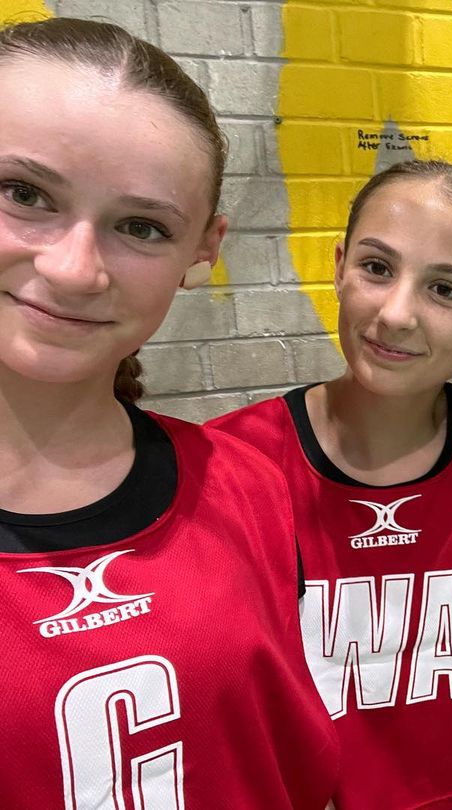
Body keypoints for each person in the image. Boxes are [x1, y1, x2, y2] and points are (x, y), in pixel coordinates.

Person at [0, 17, 338, 808]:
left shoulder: (248, 489)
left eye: (141, 227)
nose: (75, 268)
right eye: (23, 194)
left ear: (203, 247)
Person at [209, 159, 452, 810]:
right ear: (340, 266)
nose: (396, 313)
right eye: (377, 267)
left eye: (445, 290)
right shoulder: (235, 462)